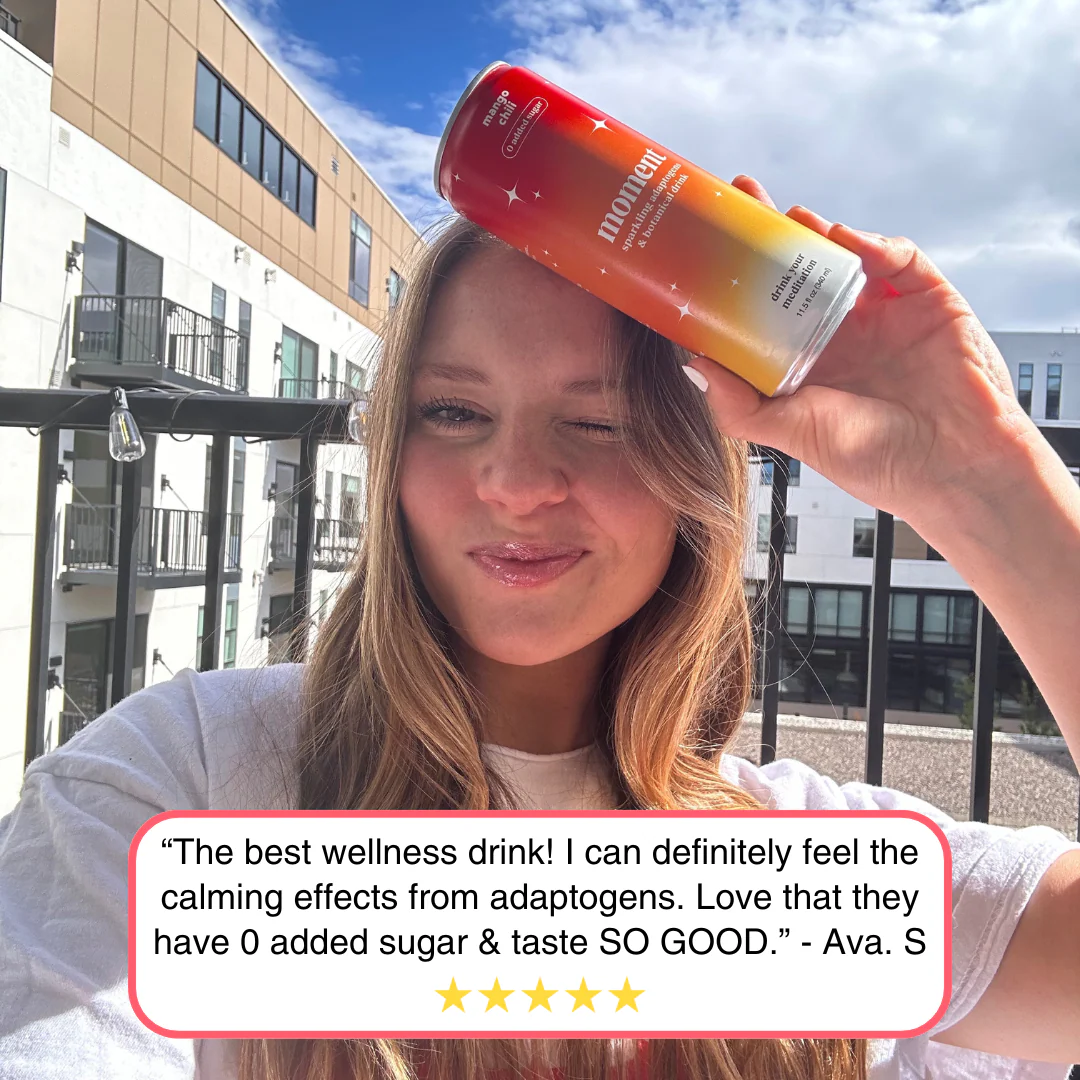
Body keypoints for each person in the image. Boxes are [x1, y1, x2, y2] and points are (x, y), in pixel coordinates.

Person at [0, 174, 1078, 1080]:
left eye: (598, 421)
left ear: (693, 474)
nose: (515, 483)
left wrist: (987, 476)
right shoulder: (182, 777)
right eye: (453, 412)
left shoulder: (807, 859)